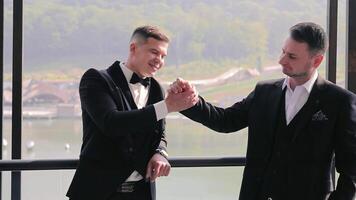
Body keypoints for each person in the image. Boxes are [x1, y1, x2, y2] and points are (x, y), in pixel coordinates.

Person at [169, 22, 356, 200]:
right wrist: (189, 101)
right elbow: (224, 120)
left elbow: (351, 170)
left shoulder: (340, 101)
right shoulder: (264, 92)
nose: (281, 60)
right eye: (283, 52)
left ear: (317, 60)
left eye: (292, 56)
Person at [66, 25, 196, 200]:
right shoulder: (95, 79)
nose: (159, 60)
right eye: (154, 52)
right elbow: (111, 123)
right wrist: (167, 106)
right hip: (97, 192)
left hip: (142, 192)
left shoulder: (156, 88)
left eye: (163, 56)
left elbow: (160, 133)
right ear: (133, 48)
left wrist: (160, 153)